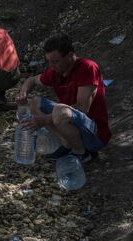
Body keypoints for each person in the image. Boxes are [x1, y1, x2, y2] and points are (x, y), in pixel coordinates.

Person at [16, 33, 111, 163]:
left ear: (70, 55)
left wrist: (45, 120)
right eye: (49, 61)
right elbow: (32, 80)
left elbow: (82, 109)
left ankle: (82, 153)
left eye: (55, 61)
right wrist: (23, 92)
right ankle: (67, 144)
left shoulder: (88, 68)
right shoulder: (55, 72)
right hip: (71, 122)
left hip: (95, 134)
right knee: (35, 102)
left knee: (60, 111)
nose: (52, 66)